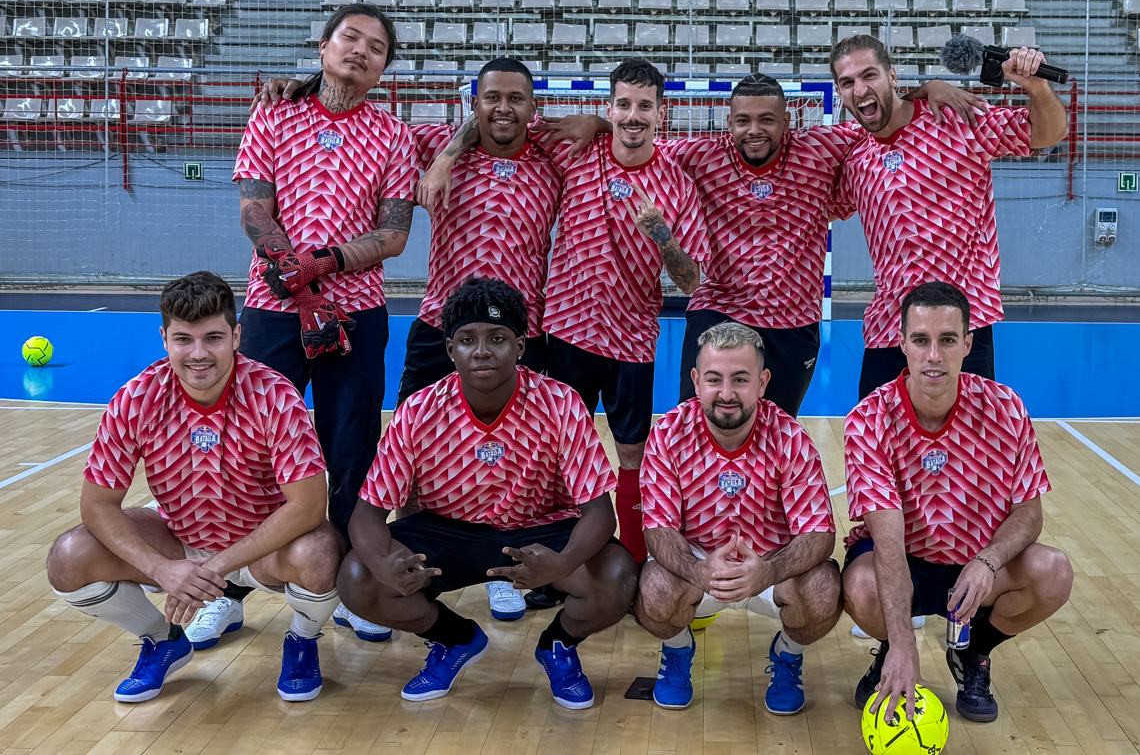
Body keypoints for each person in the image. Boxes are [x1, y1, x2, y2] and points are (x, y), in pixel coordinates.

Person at [255, 56, 564, 621]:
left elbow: (608, 133)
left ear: (532, 107)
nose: (503, 108)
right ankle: (412, 563)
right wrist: (303, 85)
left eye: (516, 98)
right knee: (414, 452)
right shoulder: (425, 142)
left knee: (519, 457)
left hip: (521, 332)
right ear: (472, 104)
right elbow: (359, 116)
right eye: (491, 98)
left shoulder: (552, 154)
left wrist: (597, 121)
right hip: (440, 323)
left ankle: (500, 567)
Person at [538, 73, 986, 417]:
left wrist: (926, 89)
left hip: (792, 322)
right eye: (743, 120)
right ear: (728, 123)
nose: (754, 130)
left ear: (787, 121)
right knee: (696, 426)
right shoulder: (699, 156)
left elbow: (881, 113)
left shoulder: (822, 148)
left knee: (777, 433)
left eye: (767, 120)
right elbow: (638, 139)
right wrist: (601, 123)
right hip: (719, 308)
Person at [424, 59, 711, 563]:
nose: (633, 115)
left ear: (662, 115)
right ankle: (549, 561)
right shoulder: (577, 150)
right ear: (609, 108)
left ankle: (636, 560)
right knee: (551, 448)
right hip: (564, 331)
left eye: (645, 107)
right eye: (623, 105)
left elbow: (693, 281)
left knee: (632, 452)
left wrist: (662, 238)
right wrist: (446, 157)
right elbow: (498, 117)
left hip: (631, 340)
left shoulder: (676, 183)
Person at [336, 278, 638, 709]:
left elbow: (600, 514)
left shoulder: (560, 403)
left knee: (616, 576)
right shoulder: (418, 410)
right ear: (449, 349)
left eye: (497, 338)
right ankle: (455, 639)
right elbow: (366, 516)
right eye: (466, 340)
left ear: (520, 346)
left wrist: (563, 562)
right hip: (448, 532)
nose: (481, 351)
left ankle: (559, 645)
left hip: (538, 531)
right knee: (358, 577)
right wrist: (385, 566)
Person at [45, 272, 343, 703]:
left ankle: (302, 639)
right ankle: (162, 639)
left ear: (236, 336)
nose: (198, 354)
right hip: (180, 540)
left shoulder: (275, 395)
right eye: (184, 339)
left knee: (320, 552)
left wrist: (217, 567)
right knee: (69, 556)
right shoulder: (136, 399)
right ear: (164, 338)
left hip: (263, 548)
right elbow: (97, 506)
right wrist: (161, 569)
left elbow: (308, 506)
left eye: (213, 338)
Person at [221, 4, 419, 646]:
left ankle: (349, 585)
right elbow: (254, 209)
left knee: (352, 447)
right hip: (273, 307)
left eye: (376, 47)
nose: (361, 51)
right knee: (254, 447)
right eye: (350, 37)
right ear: (324, 46)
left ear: (384, 68)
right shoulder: (273, 113)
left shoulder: (393, 136)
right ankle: (229, 588)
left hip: (356, 313)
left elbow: (393, 235)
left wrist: (324, 262)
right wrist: (293, 274)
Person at [842, 281, 1072, 723]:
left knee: (1054, 572)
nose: (934, 355)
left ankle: (973, 653)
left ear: (967, 344)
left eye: (947, 340)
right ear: (902, 343)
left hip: (976, 562)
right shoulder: (868, 420)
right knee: (861, 588)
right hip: (905, 559)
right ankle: (892, 650)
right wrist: (905, 643)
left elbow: (1028, 513)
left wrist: (988, 561)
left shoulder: (1006, 408)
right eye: (921, 340)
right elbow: (887, 540)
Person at [829, 35, 1069, 400]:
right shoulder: (854, 155)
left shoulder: (957, 119)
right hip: (890, 329)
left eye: (869, 75)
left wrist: (1036, 87)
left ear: (892, 76)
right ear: (839, 92)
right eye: (848, 82)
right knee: (874, 435)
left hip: (962, 328)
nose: (860, 89)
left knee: (971, 437)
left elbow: (1049, 133)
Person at [634, 322, 841, 713]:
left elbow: (819, 534)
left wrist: (768, 571)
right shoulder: (668, 434)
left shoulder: (790, 437)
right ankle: (677, 650)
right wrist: (697, 570)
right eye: (714, 379)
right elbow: (658, 529)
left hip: (770, 566)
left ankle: (788, 654)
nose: (726, 393)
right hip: (699, 564)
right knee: (654, 589)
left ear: (762, 383)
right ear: (696, 381)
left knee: (823, 589)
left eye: (740, 379)